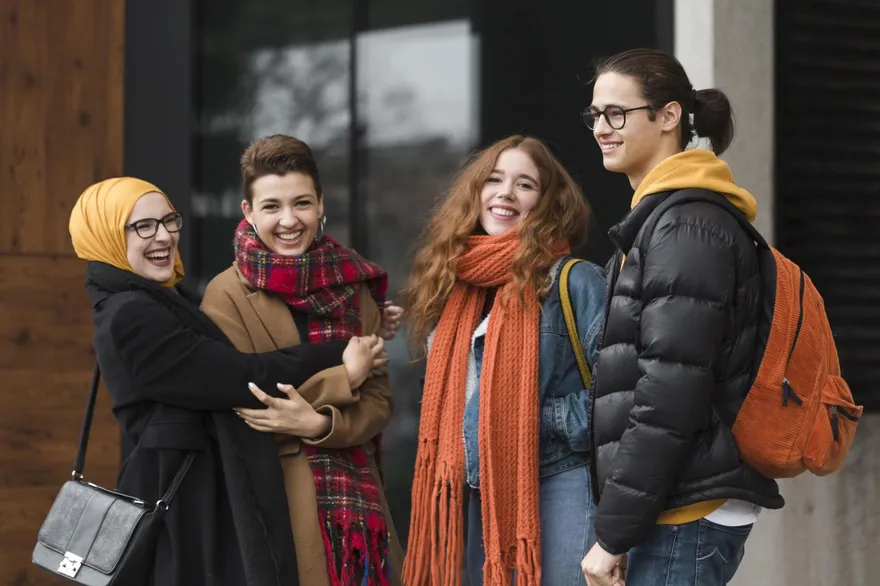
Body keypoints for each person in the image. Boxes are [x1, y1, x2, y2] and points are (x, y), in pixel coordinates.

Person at [69, 177, 384, 586]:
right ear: (105, 235)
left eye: (168, 220)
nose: (163, 235)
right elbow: (239, 377)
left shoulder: (154, 300)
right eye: (142, 226)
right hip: (178, 504)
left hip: (190, 494)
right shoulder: (129, 315)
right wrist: (339, 358)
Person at [579, 48, 784, 586]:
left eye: (617, 113)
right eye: (595, 115)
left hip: (687, 507)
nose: (602, 127)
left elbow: (671, 391)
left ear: (669, 116)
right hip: (673, 501)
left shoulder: (685, 226)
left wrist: (613, 533)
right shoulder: (665, 220)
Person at [200, 134, 404, 586]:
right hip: (273, 503)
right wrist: (342, 380)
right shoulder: (226, 295)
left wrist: (319, 425)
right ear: (248, 213)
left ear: (321, 205)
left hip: (361, 515)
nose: (289, 221)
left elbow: (379, 402)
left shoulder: (355, 284)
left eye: (302, 203)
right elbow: (243, 404)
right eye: (271, 206)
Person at [402, 135, 606, 586]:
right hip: (478, 492)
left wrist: (534, 418)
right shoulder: (454, 287)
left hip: (561, 483)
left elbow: (623, 396)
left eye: (525, 184)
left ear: (548, 202)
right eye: (494, 179)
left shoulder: (575, 281)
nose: (505, 193)